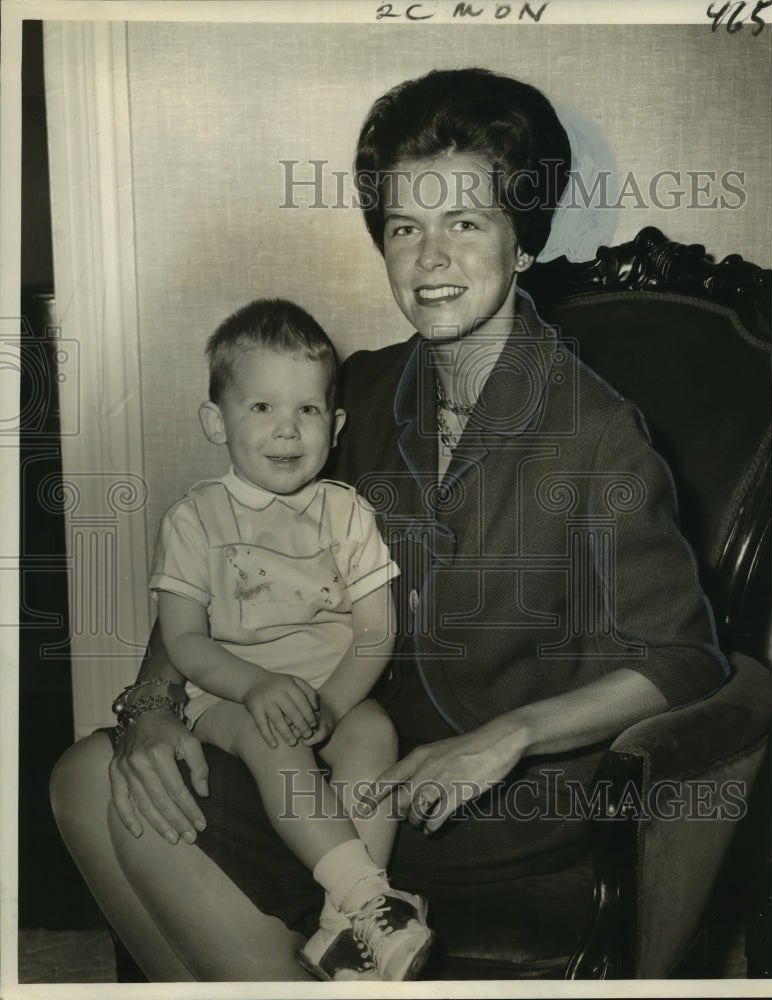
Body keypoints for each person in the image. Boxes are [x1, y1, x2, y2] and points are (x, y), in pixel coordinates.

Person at [50, 68, 729, 983]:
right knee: (90, 778)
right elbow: (223, 548)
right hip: (337, 766)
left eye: (465, 222)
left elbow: (682, 657)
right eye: (405, 226)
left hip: (484, 808)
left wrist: (509, 738)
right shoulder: (361, 392)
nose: (430, 258)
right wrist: (152, 707)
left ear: (520, 240)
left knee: (128, 807)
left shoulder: (598, 435)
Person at [146, 297, 432, 981]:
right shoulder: (195, 519)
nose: (286, 430)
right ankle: (369, 898)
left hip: (326, 692)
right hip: (230, 698)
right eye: (261, 408)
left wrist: (331, 706)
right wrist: (255, 686)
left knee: (375, 736)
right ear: (215, 421)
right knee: (269, 736)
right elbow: (183, 640)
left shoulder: (346, 512)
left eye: (306, 410)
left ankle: (339, 930)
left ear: (333, 426)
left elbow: (375, 629)